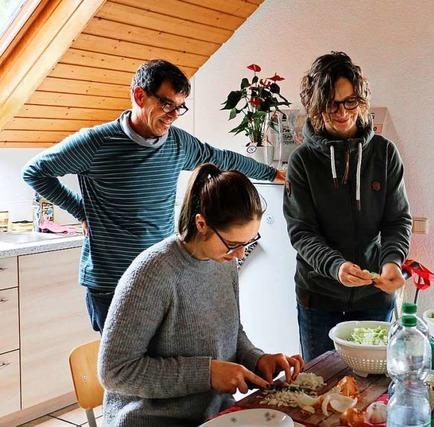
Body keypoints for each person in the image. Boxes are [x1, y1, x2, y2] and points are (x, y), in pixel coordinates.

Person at [22, 59, 285, 333]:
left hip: (160, 276)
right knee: (121, 370)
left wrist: (272, 174)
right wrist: (81, 211)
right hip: (112, 282)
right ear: (139, 95)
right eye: (166, 104)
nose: (172, 115)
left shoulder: (178, 143)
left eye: (180, 107)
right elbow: (35, 172)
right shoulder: (95, 143)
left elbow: (220, 158)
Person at [98, 163, 303, 426]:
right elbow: (115, 372)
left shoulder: (224, 263)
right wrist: (206, 373)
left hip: (213, 414)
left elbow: (231, 333)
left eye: (248, 242)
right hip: (149, 420)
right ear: (201, 224)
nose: (240, 254)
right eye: (233, 244)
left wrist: (257, 359)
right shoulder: (153, 273)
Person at [283, 52, 412, 362]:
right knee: (321, 388)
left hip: (373, 296)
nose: (342, 113)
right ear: (315, 106)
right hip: (319, 297)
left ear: (361, 99)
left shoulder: (383, 154)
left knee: (373, 386)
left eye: (350, 101)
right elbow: (302, 233)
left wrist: (393, 261)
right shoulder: (302, 161)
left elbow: (397, 221)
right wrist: (336, 266)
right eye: (331, 104)